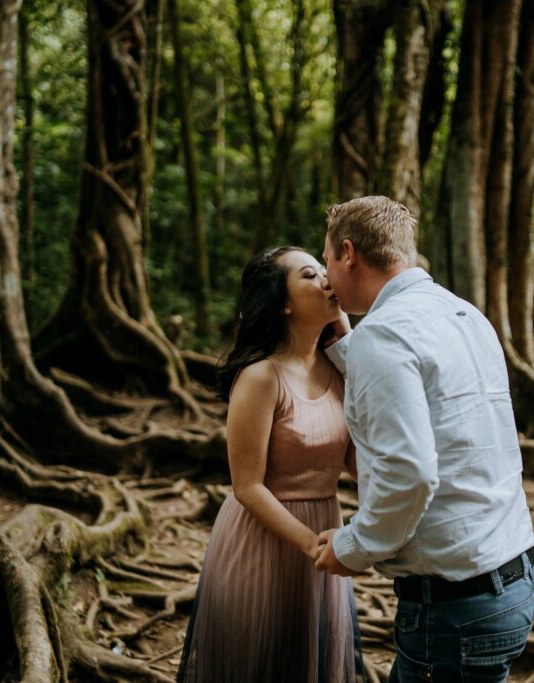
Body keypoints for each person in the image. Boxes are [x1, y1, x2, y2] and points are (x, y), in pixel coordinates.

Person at [314, 196, 534, 682]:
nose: (327, 275)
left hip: (453, 607)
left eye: (327, 259)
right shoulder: (464, 315)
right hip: (511, 579)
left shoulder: (385, 336)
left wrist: (353, 547)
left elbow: (411, 474)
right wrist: (344, 345)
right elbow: (430, 403)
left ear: (349, 253)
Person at [177, 247, 365, 683]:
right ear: (283, 302)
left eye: (324, 271)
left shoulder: (339, 372)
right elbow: (247, 486)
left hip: (324, 533)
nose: (326, 279)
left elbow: (358, 464)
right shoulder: (261, 376)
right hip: (264, 541)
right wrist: (314, 546)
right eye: (309, 275)